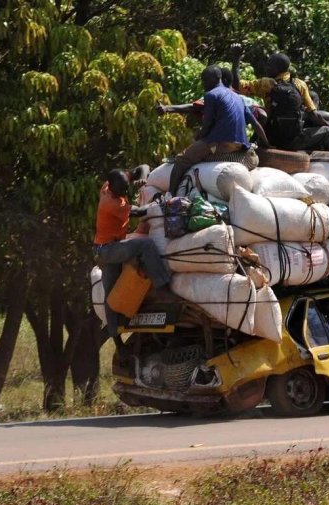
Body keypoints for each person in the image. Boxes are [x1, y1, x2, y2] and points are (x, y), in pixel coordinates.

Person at [94, 168, 171, 355]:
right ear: (111, 188)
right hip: (108, 251)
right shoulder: (110, 203)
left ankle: (118, 341)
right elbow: (138, 212)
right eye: (122, 189)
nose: (125, 191)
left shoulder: (110, 185)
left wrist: (141, 179)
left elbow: (142, 167)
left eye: (126, 187)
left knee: (111, 297)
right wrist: (160, 206)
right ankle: (162, 287)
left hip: (110, 248)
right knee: (145, 245)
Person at [161, 65, 257, 196]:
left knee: (181, 160)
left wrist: (197, 139)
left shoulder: (211, 95)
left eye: (204, 80)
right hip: (240, 145)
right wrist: (266, 144)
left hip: (220, 142)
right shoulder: (238, 97)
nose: (203, 84)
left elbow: (206, 126)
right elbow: (256, 121)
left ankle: (169, 196)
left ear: (214, 79)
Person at [236, 52, 329, 152]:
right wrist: (328, 124)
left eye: (269, 65)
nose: (266, 67)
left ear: (277, 68)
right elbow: (313, 115)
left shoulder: (265, 84)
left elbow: (236, 85)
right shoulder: (300, 84)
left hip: (272, 137)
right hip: (293, 140)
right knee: (328, 132)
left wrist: (236, 59)